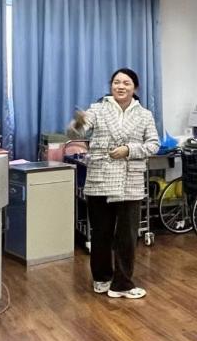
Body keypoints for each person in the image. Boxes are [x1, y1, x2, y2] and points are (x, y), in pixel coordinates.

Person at [68, 68, 159, 299]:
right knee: (101, 233)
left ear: (134, 87)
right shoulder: (98, 109)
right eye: (116, 82)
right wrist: (77, 122)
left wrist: (129, 149)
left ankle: (122, 284)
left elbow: (153, 144)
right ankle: (101, 278)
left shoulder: (144, 115)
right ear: (111, 86)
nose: (120, 86)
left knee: (127, 235)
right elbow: (77, 131)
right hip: (100, 177)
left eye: (126, 83)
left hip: (130, 180)